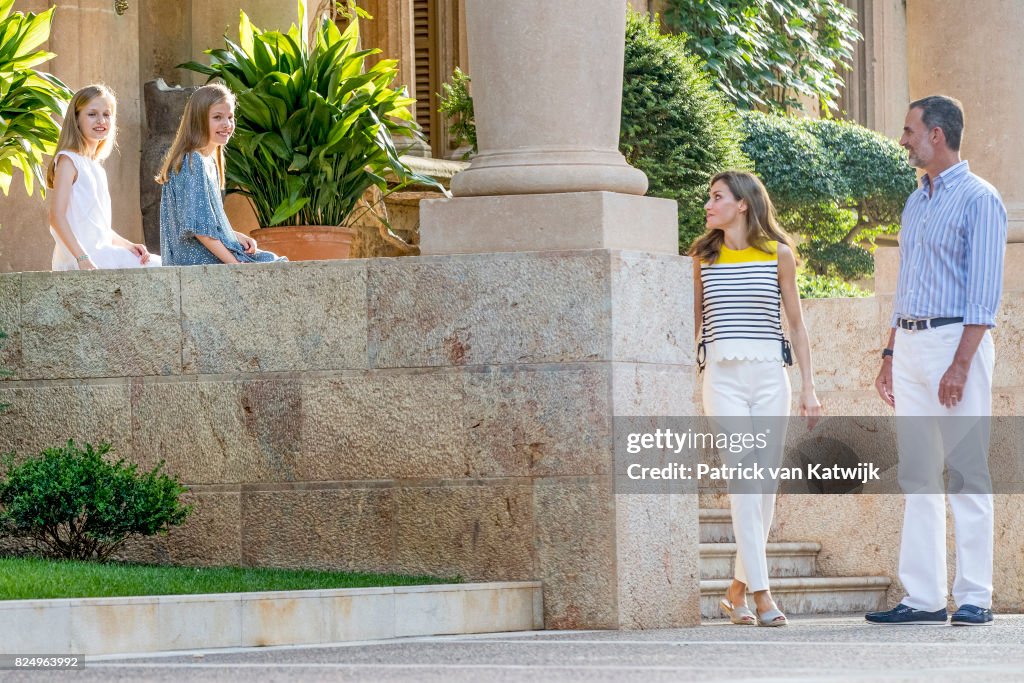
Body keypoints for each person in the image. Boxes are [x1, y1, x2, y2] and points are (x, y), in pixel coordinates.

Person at [866, 96, 1005, 627]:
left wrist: (961, 364)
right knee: (917, 474)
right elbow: (906, 288)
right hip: (911, 345)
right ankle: (923, 597)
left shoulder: (979, 199)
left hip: (956, 344)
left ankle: (976, 596)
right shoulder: (915, 201)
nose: (903, 140)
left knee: (967, 469)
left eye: (909, 131)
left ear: (937, 135)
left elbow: (983, 295)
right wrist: (889, 352)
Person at [691, 171, 822, 627]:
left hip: (771, 377)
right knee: (745, 481)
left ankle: (735, 592)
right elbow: (693, 323)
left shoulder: (778, 255)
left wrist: (809, 387)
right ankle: (763, 594)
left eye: (716, 197)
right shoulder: (703, 259)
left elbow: (797, 325)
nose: (708, 205)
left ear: (742, 204)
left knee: (764, 488)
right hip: (722, 377)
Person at [156, 83, 284, 266]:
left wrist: (234, 236)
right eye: (217, 117)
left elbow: (208, 224)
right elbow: (200, 230)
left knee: (270, 259)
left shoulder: (208, 161)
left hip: (205, 254)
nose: (227, 124)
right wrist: (234, 264)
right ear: (198, 120)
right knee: (272, 264)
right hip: (196, 260)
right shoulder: (193, 161)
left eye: (230, 117)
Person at [46, 84, 159, 270]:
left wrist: (128, 245)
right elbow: (56, 216)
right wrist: (82, 258)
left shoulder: (96, 167)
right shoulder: (68, 161)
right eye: (92, 114)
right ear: (76, 119)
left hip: (101, 253)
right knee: (158, 266)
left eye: (106, 114)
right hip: (82, 259)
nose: (101, 120)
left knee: (158, 264)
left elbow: (98, 229)